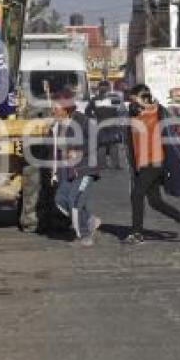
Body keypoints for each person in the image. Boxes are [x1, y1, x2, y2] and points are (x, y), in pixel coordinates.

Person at [123, 83, 180, 245]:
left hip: (156, 161)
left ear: (145, 98)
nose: (132, 104)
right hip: (141, 164)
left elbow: (175, 139)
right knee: (155, 202)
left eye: (134, 100)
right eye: (131, 101)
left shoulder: (160, 113)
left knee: (136, 194)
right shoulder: (133, 116)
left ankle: (137, 233)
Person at [50, 90, 101, 246]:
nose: (53, 111)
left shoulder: (82, 121)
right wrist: (54, 172)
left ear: (66, 108)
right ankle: (89, 221)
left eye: (56, 107)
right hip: (67, 171)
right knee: (60, 200)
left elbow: (96, 139)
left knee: (75, 201)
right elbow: (56, 151)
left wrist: (80, 150)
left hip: (85, 168)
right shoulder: (57, 126)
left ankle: (85, 236)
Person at [86, 82, 123, 170]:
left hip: (100, 124)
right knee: (113, 145)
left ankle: (102, 165)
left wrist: (94, 118)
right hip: (112, 124)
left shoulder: (94, 99)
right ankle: (115, 165)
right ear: (109, 88)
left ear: (98, 88)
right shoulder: (114, 99)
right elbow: (120, 111)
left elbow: (87, 111)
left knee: (102, 145)